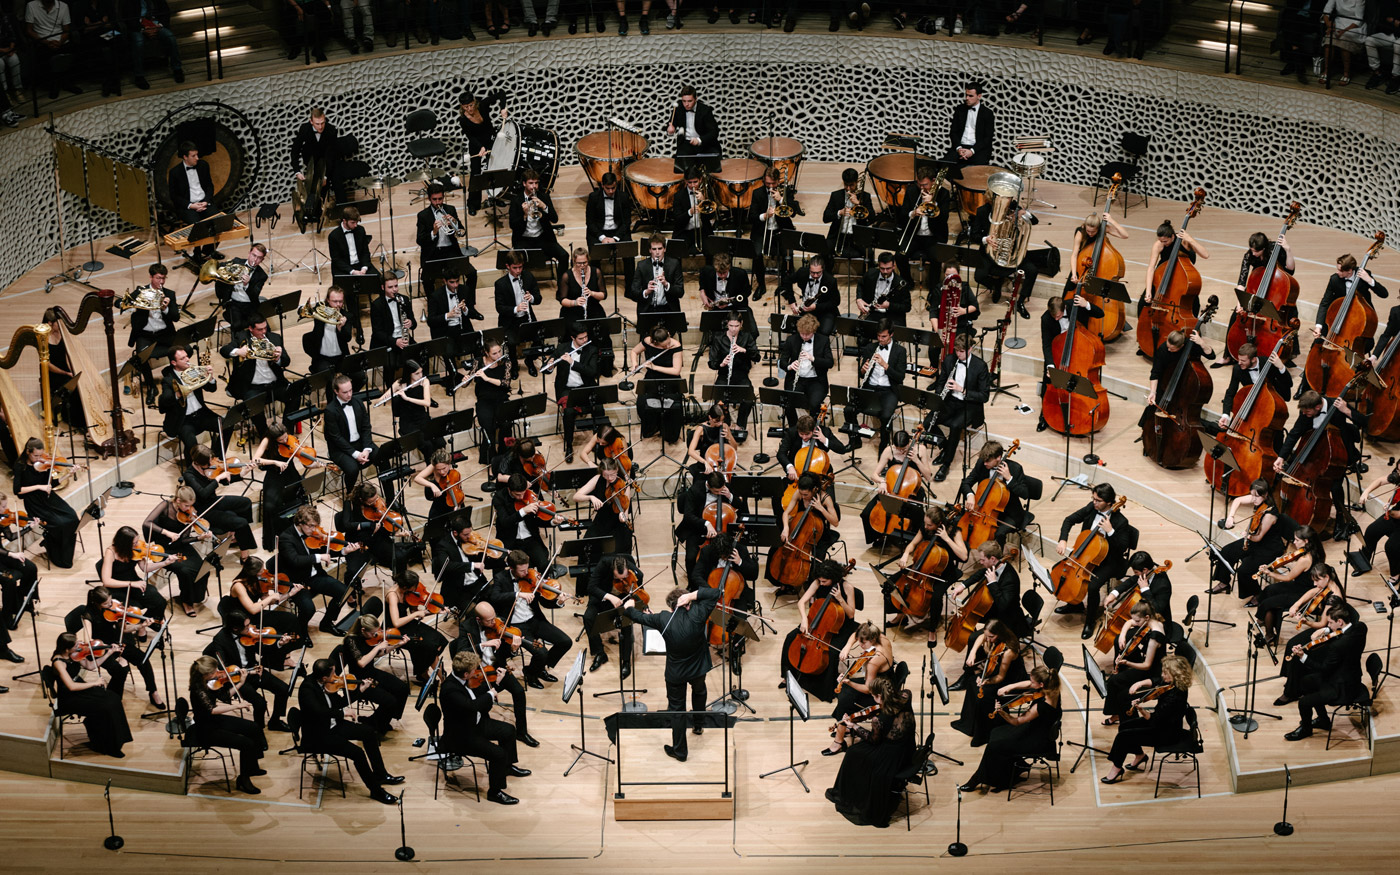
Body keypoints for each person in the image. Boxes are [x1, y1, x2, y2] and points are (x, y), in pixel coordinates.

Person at [623, 585, 722, 762]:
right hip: (698, 668)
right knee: (699, 692)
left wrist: (629, 607)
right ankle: (698, 725)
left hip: (676, 673)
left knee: (677, 710)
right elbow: (716, 592)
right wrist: (692, 595)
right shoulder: (698, 613)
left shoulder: (663, 618)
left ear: (671, 606)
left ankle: (680, 752)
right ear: (687, 603)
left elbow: (636, 616)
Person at [297, 658, 403, 803]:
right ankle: (376, 791)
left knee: (369, 732)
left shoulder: (327, 684)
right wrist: (342, 713)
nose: (336, 677)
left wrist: (360, 690)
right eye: (333, 674)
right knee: (358, 753)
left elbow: (340, 702)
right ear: (324, 678)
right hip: (319, 735)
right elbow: (319, 711)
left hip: (333, 725)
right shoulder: (307, 690)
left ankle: (380, 774)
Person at [1274, 389, 1366, 540]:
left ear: (1318, 407)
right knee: (1291, 469)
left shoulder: (1337, 405)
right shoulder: (1306, 410)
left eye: (1307, 412)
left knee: (1335, 485)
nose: (1305, 414)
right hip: (1313, 449)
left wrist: (1347, 410)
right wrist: (1281, 457)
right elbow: (1295, 433)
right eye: (1303, 412)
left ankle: (1340, 519)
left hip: (1338, 452)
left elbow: (1364, 422)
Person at [440, 650, 529, 805]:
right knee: (498, 754)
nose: (477, 672)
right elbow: (472, 706)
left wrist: (496, 684)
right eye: (474, 670)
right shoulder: (450, 690)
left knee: (509, 731)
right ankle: (495, 792)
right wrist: (491, 693)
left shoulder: (463, 679)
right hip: (461, 735)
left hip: (475, 723)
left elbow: (480, 694)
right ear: (466, 674)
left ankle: (507, 767)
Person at [826, 676, 916, 828]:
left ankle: (856, 794)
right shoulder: (906, 695)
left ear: (879, 696)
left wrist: (853, 726)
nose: (872, 699)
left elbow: (873, 740)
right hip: (908, 747)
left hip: (890, 757)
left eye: (873, 696)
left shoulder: (879, 720)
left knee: (853, 753)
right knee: (857, 751)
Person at [958, 664, 1062, 793]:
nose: (1030, 683)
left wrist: (1001, 712)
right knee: (997, 732)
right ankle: (1012, 770)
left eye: (1033, 682)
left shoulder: (1041, 707)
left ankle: (978, 779)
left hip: (1037, 740)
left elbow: (1016, 721)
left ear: (1041, 684)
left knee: (994, 745)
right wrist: (1010, 687)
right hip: (1039, 730)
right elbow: (1028, 684)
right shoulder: (1053, 689)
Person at [1052, 483, 1132, 637]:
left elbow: (1121, 548)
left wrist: (1111, 531)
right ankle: (1074, 604)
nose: (1094, 502)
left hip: (1109, 560)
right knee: (1064, 571)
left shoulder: (1121, 521)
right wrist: (1063, 540)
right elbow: (1069, 520)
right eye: (1093, 499)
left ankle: (1090, 621)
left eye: (1098, 500)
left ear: (1109, 502)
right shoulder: (1092, 508)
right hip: (1086, 554)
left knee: (1093, 586)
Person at [486, 549, 572, 688]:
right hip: (517, 627)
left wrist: (559, 602)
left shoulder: (532, 577)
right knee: (541, 652)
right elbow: (494, 597)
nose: (526, 573)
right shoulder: (501, 578)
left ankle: (540, 668)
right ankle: (530, 674)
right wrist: (518, 594)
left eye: (527, 568)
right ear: (511, 568)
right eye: (522, 571)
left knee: (565, 642)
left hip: (535, 620)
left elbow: (544, 601)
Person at [1101, 654, 1193, 784]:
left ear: (1175, 675)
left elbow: (1154, 719)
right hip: (1163, 724)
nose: (1162, 675)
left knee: (1123, 736)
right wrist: (1139, 683)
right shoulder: (1172, 683)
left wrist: (1141, 709)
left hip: (1167, 734)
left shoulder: (1175, 697)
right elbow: (1156, 681)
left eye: (1165, 673)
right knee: (1124, 726)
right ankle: (1140, 755)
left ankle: (1116, 768)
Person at [67, 584, 163, 707]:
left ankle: (153, 692)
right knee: (120, 672)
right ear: (97, 603)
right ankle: (112, 702)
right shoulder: (88, 615)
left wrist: (141, 626)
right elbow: (88, 641)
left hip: (118, 643)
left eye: (110, 600)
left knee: (143, 659)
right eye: (106, 603)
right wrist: (108, 649)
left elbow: (125, 629)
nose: (110, 605)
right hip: (101, 650)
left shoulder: (115, 607)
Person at [1283, 603, 1367, 740]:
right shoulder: (1360, 628)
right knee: (1305, 682)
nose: (1328, 625)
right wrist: (1329, 630)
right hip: (1352, 676)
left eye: (1330, 622)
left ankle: (1306, 729)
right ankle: (1323, 720)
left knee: (1303, 702)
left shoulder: (1337, 646)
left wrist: (1302, 656)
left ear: (1340, 622)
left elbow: (1323, 668)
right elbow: (1344, 628)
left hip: (1341, 687)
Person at [189, 654, 266, 794]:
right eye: (215, 671)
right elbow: (212, 710)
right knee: (246, 743)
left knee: (253, 727)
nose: (218, 672)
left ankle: (252, 767)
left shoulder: (211, 683)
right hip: (206, 729)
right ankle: (244, 780)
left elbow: (224, 696)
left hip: (215, 721)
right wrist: (236, 706)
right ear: (206, 674)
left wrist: (241, 682)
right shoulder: (198, 690)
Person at [888, 505, 968, 635]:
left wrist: (947, 538)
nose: (925, 527)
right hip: (923, 566)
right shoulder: (925, 528)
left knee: (936, 597)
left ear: (939, 523)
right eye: (925, 523)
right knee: (893, 582)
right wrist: (905, 554)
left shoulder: (954, 531)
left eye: (929, 525)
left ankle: (932, 630)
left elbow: (964, 556)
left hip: (945, 571)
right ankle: (900, 615)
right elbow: (913, 544)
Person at [49, 632, 132, 758]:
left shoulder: (74, 654)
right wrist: (94, 683)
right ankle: (106, 746)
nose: (79, 645)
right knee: (106, 706)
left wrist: (109, 653)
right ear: (66, 649)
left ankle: (114, 740)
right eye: (75, 645)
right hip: (70, 697)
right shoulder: (58, 662)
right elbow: (71, 686)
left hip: (80, 688)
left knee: (113, 698)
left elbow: (91, 665)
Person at [277, 505, 352, 638]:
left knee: (343, 592)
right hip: (297, 582)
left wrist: (343, 551)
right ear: (300, 523)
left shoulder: (311, 534)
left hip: (315, 576)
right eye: (311, 526)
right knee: (309, 609)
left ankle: (326, 623)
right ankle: (301, 632)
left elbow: (322, 548)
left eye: (316, 526)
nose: (314, 530)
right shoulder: (285, 538)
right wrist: (319, 557)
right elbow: (295, 560)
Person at [139, 485, 214, 617]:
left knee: (203, 568)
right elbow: (147, 523)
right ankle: (186, 602)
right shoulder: (165, 506)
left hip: (182, 546)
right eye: (186, 505)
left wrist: (199, 537)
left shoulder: (187, 514)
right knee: (185, 571)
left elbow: (184, 540)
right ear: (178, 501)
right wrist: (167, 533)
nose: (189, 509)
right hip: (164, 549)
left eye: (191, 505)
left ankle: (196, 597)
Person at [948, 619, 1025, 746]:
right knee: (972, 682)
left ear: (999, 634)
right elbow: (981, 636)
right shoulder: (994, 636)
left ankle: (983, 734)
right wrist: (972, 653)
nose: (988, 639)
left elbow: (1000, 677)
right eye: (987, 636)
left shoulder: (1008, 651)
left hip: (1010, 679)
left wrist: (986, 681)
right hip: (998, 672)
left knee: (983, 696)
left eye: (991, 637)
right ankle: (969, 724)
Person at [1037, 293, 1105, 431]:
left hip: (1080, 349)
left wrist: (1087, 304)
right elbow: (1046, 344)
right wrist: (1050, 365)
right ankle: (1044, 416)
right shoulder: (1046, 319)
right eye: (1054, 316)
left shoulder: (1075, 305)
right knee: (1048, 381)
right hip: (1058, 351)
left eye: (1059, 316)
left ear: (1064, 309)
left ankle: (1082, 413)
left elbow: (1100, 314)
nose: (1056, 319)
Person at [927, 333, 990, 482]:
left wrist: (962, 390)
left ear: (970, 349)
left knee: (955, 426)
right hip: (950, 401)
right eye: (956, 350)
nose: (958, 354)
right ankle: (945, 447)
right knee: (928, 421)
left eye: (961, 351)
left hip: (969, 405)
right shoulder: (950, 360)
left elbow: (984, 396)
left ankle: (946, 464)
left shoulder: (980, 366)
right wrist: (938, 398)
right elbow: (940, 383)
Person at [13, 437, 81, 567]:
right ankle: (51, 546)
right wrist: (39, 486)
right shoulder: (20, 466)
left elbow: (52, 483)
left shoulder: (44, 464)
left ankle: (65, 555)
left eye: (41, 455)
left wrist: (68, 474)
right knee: (60, 524)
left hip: (49, 498)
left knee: (72, 517)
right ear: (28, 452)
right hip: (34, 503)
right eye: (35, 456)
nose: (39, 459)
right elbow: (17, 490)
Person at [220, 317, 291, 436]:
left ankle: (286, 431)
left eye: (265, 328)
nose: (264, 332)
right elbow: (224, 350)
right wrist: (238, 351)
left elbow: (286, 361)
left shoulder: (274, 338)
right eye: (260, 329)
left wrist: (278, 358)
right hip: (253, 388)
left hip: (276, 384)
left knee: (295, 395)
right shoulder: (241, 337)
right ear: (250, 328)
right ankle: (265, 436)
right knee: (252, 405)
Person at [845, 319, 906, 453]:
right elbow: (861, 374)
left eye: (883, 336)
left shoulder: (900, 351)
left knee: (885, 416)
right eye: (878, 336)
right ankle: (855, 441)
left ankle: (884, 447)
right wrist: (863, 370)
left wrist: (885, 365)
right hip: (870, 388)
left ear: (891, 334)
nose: (880, 339)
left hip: (889, 390)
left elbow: (900, 377)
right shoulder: (870, 348)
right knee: (849, 410)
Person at [1310, 251, 1389, 352]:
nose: (1337, 272)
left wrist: (1369, 280)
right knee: (1316, 344)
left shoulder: (1364, 275)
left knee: (1366, 345)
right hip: (1338, 318)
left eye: (1340, 270)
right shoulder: (1335, 279)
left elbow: (1384, 294)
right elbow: (1325, 303)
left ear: (1349, 271)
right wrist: (1318, 327)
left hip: (1358, 320)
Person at [1101, 600, 1166, 722]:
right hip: (1147, 663)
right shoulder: (1154, 621)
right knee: (1116, 680)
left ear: (1147, 617)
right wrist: (1122, 635)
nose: (1135, 623)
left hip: (1153, 672)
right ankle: (1120, 714)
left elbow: (1147, 665)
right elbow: (1130, 621)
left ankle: (1126, 717)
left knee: (1115, 681)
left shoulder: (1155, 637)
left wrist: (1127, 662)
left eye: (1137, 621)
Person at [127, 263, 182, 404]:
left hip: (165, 334)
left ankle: (171, 376)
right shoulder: (141, 292)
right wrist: (132, 306)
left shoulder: (169, 294)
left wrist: (165, 308)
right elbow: (121, 303)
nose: (161, 282)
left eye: (163, 278)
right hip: (145, 335)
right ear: (151, 277)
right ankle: (151, 387)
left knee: (185, 350)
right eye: (158, 278)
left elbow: (176, 317)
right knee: (141, 357)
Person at [950, 540, 1028, 637]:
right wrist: (962, 586)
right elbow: (980, 573)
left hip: (1008, 617)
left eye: (983, 560)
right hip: (995, 608)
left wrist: (992, 583)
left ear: (992, 558)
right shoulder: (995, 565)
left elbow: (1003, 605)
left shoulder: (1010, 579)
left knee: (973, 638)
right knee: (969, 617)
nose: (981, 562)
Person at [674, 470, 746, 576]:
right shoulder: (695, 489)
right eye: (716, 492)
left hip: (723, 530)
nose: (719, 493)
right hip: (698, 528)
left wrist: (729, 496)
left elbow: (741, 506)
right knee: (691, 557)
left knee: (735, 553)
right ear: (708, 485)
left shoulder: (725, 487)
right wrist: (706, 523)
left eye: (721, 490)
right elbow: (688, 516)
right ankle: (692, 582)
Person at [956, 442, 1029, 545]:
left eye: (988, 461)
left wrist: (1009, 478)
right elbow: (966, 483)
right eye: (984, 460)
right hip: (984, 509)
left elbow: (1025, 494)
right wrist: (970, 495)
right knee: (960, 522)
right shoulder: (981, 463)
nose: (985, 463)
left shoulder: (1015, 468)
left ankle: (997, 555)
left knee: (999, 534)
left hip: (1008, 512)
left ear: (998, 458)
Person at [583, 554, 643, 675]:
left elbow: (639, 590)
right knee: (588, 618)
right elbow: (591, 587)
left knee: (626, 622)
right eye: (617, 577)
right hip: (602, 598)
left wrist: (638, 603)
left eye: (624, 577)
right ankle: (600, 653)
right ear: (612, 570)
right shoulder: (604, 564)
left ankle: (626, 661)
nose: (621, 580)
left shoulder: (634, 571)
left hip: (622, 600)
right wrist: (610, 597)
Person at [385, 570, 449, 684]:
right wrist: (416, 614)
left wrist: (435, 611)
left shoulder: (407, 593)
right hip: (394, 631)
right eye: (414, 587)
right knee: (428, 646)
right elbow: (396, 622)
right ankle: (438, 678)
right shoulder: (392, 595)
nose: (416, 590)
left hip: (407, 623)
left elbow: (415, 612)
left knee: (439, 639)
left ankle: (423, 672)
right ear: (405, 587)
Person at [546, 326, 600, 462]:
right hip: (567, 389)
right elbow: (546, 368)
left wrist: (572, 362)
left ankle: (598, 441)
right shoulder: (562, 348)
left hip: (586, 387)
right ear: (573, 338)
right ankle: (569, 445)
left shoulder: (592, 349)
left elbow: (592, 372)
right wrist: (550, 365)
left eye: (586, 337)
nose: (585, 340)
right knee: (569, 412)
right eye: (581, 338)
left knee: (599, 408)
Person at [417, 184, 478, 299]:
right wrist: (433, 232)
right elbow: (420, 240)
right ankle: (433, 307)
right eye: (434, 199)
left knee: (472, 273)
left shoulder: (450, 209)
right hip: (434, 253)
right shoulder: (423, 215)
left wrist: (455, 223)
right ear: (429, 199)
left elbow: (461, 232)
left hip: (451, 252)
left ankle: (469, 304)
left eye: (440, 199)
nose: (438, 202)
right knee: (427, 279)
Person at [1263, 560, 1341, 648]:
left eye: (1317, 581)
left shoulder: (1333, 599)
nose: (1315, 584)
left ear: (1326, 577)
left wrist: (1306, 622)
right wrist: (1296, 604)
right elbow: (1313, 591)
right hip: (1324, 624)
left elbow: (1322, 624)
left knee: (1291, 644)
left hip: (1327, 630)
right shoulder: (1329, 584)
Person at [895, 164, 952, 284]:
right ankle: (907, 283)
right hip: (914, 235)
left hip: (934, 236)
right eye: (919, 184)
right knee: (899, 256)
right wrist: (913, 213)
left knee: (936, 258)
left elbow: (944, 219)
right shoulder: (911, 190)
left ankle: (933, 288)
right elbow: (902, 215)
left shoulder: (943, 194)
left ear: (933, 181)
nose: (921, 188)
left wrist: (933, 204)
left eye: (925, 185)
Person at [509, 169, 569, 280]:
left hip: (543, 238)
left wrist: (544, 207)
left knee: (564, 255)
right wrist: (524, 215)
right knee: (518, 261)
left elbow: (555, 219)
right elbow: (512, 225)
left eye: (536, 183)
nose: (534, 186)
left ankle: (562, 286)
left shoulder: (544, 197)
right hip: (524, 240)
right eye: (531, 183)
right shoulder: (516, 200)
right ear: (524, 183)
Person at [323, 373, 379, 490]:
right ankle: (351, 496)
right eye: (345, 392)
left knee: (382, 456)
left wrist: (366, 449)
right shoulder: (330, 410)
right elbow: (336, 437)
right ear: (336, 391)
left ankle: (390, 497)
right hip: (340, 449)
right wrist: (356, 454)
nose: (349, 394)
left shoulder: (358, 402)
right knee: (352, 469)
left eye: (350, 390)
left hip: (360, 443)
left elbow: (366, 427)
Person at [748, 166, 798, 296]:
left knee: (787, 254)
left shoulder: (786, 191)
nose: (770, 187)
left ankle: (784, 286)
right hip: (761, 231)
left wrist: (781, 200)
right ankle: (761, 285)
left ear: (778, 181)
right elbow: (751, 217)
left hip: (780, 231)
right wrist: (764, 216)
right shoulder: (757, 193)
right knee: (757, 254)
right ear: (764, 181)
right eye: (767, 183)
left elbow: (793, 212)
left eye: (773, 184)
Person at [493, 250, 543, 376]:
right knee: (511, 343)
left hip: (526, 317)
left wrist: (531, 298)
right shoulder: (500, 284)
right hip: (510, 320)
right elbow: (500, 308)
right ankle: (514, 366)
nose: (518, 271)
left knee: (539, 339)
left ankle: (529, 360)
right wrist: (516, 309)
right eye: (515, 268)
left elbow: (538, 299)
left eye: (520, 267)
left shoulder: (528, 277)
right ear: (508, 266)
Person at [1218, 342, 1292, 427]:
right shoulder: (1237, 369)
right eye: (1239, 359)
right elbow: (1230, 392)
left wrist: (1281, 367)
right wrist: (1225, 415)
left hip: (1269, 402)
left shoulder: (1267, 363)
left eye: (1243, 361)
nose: (1239, 363)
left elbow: (1289, 383)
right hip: (1251, 402)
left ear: (1253, 359)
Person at [379, 359, 440, 460]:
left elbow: (427, 402)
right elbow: (382, 398)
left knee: (439, 441)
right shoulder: (399, 383)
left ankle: (439, 464)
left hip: (422, 417)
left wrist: (407, 398)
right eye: (417, 373)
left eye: (421, 372)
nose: (420, 375)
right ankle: (431, 466)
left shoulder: (424, 381)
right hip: (407, 422)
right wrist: (388, 397)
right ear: (409, 374)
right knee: (427, 445)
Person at [456, 90, 506, 214]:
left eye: (471, 105)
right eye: (466, 107)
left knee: (495, 169)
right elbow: (471, 137)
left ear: (474, 102)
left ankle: (496, 197)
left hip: (491, 140)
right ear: (462, 107)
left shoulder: (482, 105)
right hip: (476, 145)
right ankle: (473, 204)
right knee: (476, 173)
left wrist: (503, 108)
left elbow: (501, 94)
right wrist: (481, 147)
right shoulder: (463, 120)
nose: (469, 109)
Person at [708, 313, 760, 432]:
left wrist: (744, 350)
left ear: (741, 324)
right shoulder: (718, 338)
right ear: (727, 324)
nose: (733, 329)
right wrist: (721, 363)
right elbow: (711, 363)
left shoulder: (747, 337)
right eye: (731, 326)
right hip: (724, 375)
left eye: (736, 326)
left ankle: (740, 425)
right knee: (718, 400)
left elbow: (757, 357)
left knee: (748, 399)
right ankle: (726, 423)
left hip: (741, 375)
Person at [328, 206, 378, 329]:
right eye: (353, 222)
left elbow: (365, 252)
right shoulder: (333, 236)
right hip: (345, 268)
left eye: (357, 222)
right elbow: (336, 260)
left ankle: (379, 317)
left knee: (378, 281)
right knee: (349, 293)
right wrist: (352, 271)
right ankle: (356, 325)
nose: (355, 225)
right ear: (344, 221)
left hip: (360, 265)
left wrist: (364, 268)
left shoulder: (360, 230)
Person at [633, 324, 685, 442]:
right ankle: (652, 427)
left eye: (669, 341)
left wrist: (655, 367)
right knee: (641, 403)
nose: (668, 345)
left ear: (669, 334)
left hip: (671, 379)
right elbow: (634, 351)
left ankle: (669, 433)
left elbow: (676, 371)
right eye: (665, 345)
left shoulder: (676, 345)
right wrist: (634, 363)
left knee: (672, 405)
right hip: (652, 378)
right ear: (655, 342)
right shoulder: (648, 341)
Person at [779, 314, 833, 427]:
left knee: (814, 404)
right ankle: (794, 428)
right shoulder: (791, 340)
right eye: (802, 333)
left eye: (807, 334)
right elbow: (782, 361)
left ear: (813, 331)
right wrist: (789, 366)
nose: (804, 337)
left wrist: (813, 358)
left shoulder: (823, 340)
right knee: (788, 403)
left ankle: (811, 429)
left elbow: (830, 363)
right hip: (796, 379)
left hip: (816, 380)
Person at [1142, 218, 1209, 306]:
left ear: (1173, 236)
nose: (1163, 243)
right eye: (1161, 241)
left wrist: (1190, 239)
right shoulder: (1159, 244)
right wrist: (1148, 291)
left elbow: (1205, 255)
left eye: (1165, 241)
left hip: (1182, 278)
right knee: (1143, 304)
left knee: (1193, 305)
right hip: (1163, 275)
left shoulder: (1184, 241)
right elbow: (1151, 268)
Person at [166, 144, 215, 259]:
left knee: (218, 222)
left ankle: (207, 252)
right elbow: (174, 196)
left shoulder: (203, 165)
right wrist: (191, 205)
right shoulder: (175, 172)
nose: (197, 158)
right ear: (185, 157)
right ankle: (197, 253)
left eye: (197, 155)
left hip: (204, 202)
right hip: (188, 206)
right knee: (197, 227)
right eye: (193, 156)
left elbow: (210, 186)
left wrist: (206, 201)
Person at [120, 0, 183, 89]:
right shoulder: (129, 2)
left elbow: (165, 12)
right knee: (138, 42)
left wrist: (159, 26)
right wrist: (143, 29)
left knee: (170, 37)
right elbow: (128, 19)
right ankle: (139, 75)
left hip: (156, 25)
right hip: (138, 27)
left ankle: (177, 69)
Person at [25, 0, 81, 98]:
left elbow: (66, 30)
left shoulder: (63, 6)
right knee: (45, 57)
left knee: (72, 52)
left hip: (60, 40)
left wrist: (60, 42)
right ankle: (53, 86)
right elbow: (29, 30)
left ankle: (67, 83)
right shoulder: (31, 5)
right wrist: (46, 42)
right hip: (43, 41)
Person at [470, 340, 514, 463]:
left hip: (501, 399)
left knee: (506, 424)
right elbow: (468, 380)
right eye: (494, 353)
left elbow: (506, 383)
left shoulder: (506, 361)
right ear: (486, 353)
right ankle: (490, 458)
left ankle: (504, 455)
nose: (498, 355)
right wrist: (465, 380)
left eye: (499, 351)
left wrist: (487, 378)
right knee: (488, 426)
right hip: (484, 401)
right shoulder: (478, 361)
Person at [302, 286, 358, 382]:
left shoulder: (347, 316)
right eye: (335, 301)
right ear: (328, 300)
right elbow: (306, 311)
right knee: (329, 379)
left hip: (341, 358)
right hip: (322, 358)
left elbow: (347, 338)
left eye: (340, 301)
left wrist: (340, 329)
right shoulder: (320, 312)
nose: (338, 305)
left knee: (360, 376)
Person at [573, 457, 633, 543]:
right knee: (587, 546)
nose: (610, 478)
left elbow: (625, 513)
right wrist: (591, 497)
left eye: (612, 474)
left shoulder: (624, 484)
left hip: (617, 524)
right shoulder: (598, 479)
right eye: (606, 475)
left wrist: (623, 518)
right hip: (601, 521)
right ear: (602, 472)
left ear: (616, 470)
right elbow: (576, 496)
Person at [1107, 551, 1175, 626]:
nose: (1135, 574)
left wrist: (1145, 589)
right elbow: (1132, 580)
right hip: (1143, 615)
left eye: (1136, 572)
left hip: (1157, 623)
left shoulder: (1163, 585)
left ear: (1145, 570)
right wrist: (1114, 593)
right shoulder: (1148, 570)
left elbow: (1157, 609)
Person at [781, 255, 840, 338]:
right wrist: (791, 301)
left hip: (825, 311)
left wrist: (816, 307)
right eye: (812, 272)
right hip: (806, 309)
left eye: (818, 273)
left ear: (823, 269)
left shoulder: (830, 280)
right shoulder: (802, 272)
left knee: (823, 333)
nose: (815, 275)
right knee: (797, 329)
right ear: (809, 269)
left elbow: (835, 302)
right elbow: (787, 281)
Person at [628, 235, 685, 318]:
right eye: (654, 249)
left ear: (664, 249)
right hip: (648, 309)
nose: (657, 252)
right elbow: (633, 292)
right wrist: (646, 292)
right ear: (650, 250)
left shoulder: (674, 264)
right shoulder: (642, 266)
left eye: (660, 248)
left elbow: (680, 292)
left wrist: (667, 285)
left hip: (668, 308)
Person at [667, 84, 720, 173]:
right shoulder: (678, 108)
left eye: (689, 101)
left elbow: (714, 132)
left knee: (713, 169)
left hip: (705, 144)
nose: (686, 104)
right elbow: (671, 124)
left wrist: (699, 140)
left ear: (696, 99)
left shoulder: (705, 110)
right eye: (684, 101)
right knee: (680, 170)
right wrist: (670, 131)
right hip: (686, 144)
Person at [824, 167, 875, 257]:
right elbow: (825, 217)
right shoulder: (836, 195)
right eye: (846, 185)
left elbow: (872, 218)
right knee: (824, 250)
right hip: (838, 235)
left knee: (869, 253)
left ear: (856, 182)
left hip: (858, 237)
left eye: (851, 185)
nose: (848, 188)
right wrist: (839, 212)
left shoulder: (865, 196)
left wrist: (859, 204)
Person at [558, 246, 606, 335]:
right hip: (572, 310)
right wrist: (575, 302)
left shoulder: (596, 272)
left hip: (592, 307)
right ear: (574, 261)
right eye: (579, 263)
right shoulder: (566, 276)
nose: (582, 266)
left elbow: (604, 295)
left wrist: (592, 293)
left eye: (585, 262)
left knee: (601, 329)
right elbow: (562, 300)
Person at [944, 81, 994, 166]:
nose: (967, 98)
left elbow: (987, 138)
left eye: (970, 96)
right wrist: (959, 148)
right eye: (966, 95)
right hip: (960, 147)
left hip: (978, 149)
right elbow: (953, 132)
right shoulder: (960, 109)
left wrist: (972, 151)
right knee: (944, 165)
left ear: (979, 96)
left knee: (976, 169)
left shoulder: (987, 113)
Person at [857, 253, 912, 326]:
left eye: (888, 268)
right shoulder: (870, 274)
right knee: (859, 329)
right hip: (872, 312)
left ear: (894, 266)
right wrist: (859, 299)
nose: (885, 271)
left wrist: (889, 305)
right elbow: (860, 284)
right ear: (878, 266)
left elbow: (907, 307)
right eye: (882, 268)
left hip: (892, 315)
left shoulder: (901, 283)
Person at [672, 166, 715, 253]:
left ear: (700, 180)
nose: (692, 185)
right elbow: (677, 219)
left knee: (712, 251)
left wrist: (704, 201)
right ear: (685, 181)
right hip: (685, 232)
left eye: (695, 182)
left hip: (703, 231)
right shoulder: (678, 196)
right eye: (689, 182)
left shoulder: (707, 193)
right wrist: (689, 212)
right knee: (677, 252)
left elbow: (711, 215)